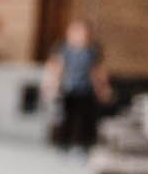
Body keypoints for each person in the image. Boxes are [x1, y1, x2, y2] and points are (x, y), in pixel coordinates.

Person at [44, 20, 112, 151]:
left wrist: (102, 88)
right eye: (76, 32)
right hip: (68, 88)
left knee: (85, 117)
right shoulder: (63, 48)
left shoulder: (92, 50)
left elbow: (97, 71)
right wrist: (52, 84)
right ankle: (62, 143)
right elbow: (56, 67)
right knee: (64, 117)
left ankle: (83, 144)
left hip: (86, 89)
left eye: (82, 32)